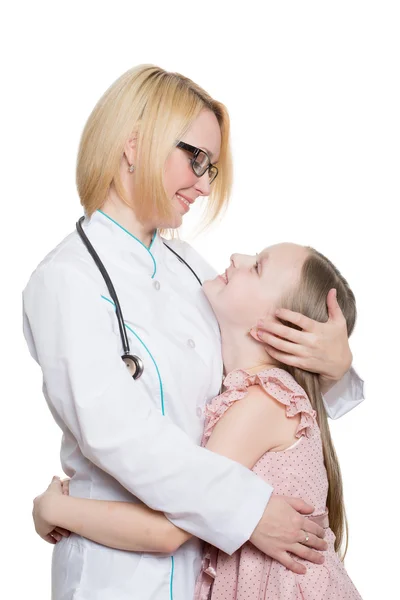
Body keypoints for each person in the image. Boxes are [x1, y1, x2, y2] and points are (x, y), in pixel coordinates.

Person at [23, 65, 364, 600]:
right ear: (134, 145)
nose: (206, 185)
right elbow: (126, 440)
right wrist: (251, 511)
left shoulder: (190, 268)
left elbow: (261, 358)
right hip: (120, 575)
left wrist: (337, 367)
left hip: (216, 574)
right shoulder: (65, 281)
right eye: (196, 159)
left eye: (213, 167)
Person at [33, 243, 363, 599]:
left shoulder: (262, 403)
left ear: (285, 327)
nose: (237, 257)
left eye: (257, 267)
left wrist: (54, 508)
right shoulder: (249, 395)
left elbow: (168, 532)